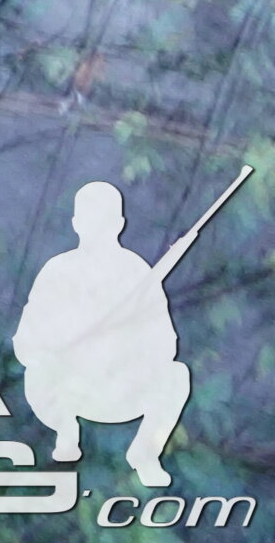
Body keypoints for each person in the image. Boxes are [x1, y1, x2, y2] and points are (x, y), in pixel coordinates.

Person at [17, 175, 204, 486]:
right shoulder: (57, 272)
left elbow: (166, 342)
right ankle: (66, 437)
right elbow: (26, 342)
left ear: (119, 223)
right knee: (37, 373)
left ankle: (145, 453)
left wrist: (127, 344)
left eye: (103, 220)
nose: (96, 228)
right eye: (90, 220)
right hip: (70, 390)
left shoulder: (137, 273)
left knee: (176, 375)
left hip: (123, 388)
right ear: (76, 223)